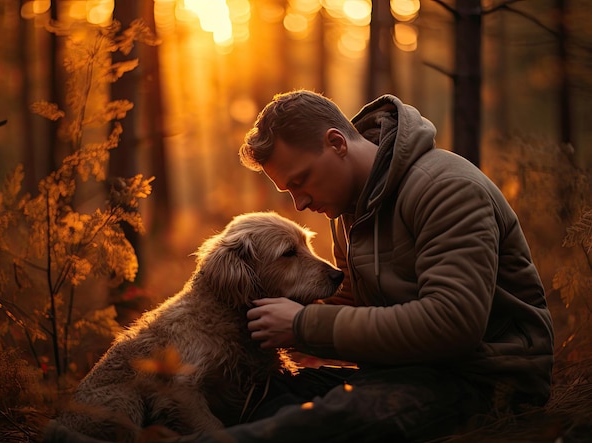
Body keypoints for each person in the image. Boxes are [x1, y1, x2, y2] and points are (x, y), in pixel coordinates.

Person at [212, 89, 553, 443]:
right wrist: (262, 328)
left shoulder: (447, 188)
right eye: (289, 191)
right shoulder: (347, 206)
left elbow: (454, 323)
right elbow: (353, 307)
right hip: (398, 373)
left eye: (300, 181)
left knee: (308, 426)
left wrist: (301, 325)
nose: (299, 203)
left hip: (483, 380)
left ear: (336, 143)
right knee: (256, 396)